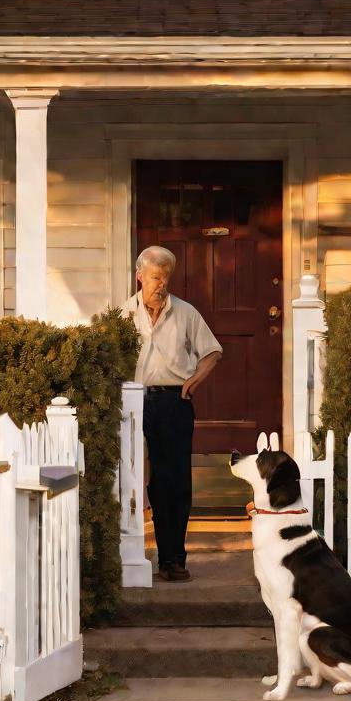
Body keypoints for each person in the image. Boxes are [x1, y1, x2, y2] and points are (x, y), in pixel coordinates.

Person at [122, 246, 222, 582]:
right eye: (154, 277)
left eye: (165, 278)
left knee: (173, 481)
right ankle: (125, 557)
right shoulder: (122, 314)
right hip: (132, 402)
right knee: (128, 479)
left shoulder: (186, 313)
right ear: (140, 276)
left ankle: (172, 560)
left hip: (172, 402)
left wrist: (194, 380)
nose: (161, 284)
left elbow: (212, 352)